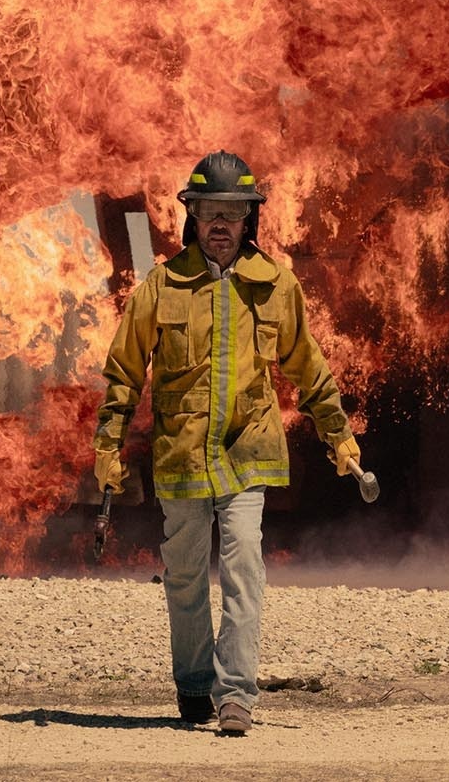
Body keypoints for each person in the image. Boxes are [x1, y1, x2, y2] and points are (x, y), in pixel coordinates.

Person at [92, 150, 360, 736]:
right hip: (182, 456)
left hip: (248, 452)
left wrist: (339, 436)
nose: (220, 223)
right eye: (209, 211)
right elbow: (123, 372)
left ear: (248, 221)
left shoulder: (275, 287)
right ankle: (193, 686)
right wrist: (108, 447)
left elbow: (308, 368)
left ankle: (236, 693)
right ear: (192, 216)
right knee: (185, 573)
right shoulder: (161, 287)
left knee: (244, 564)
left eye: (232, 213)